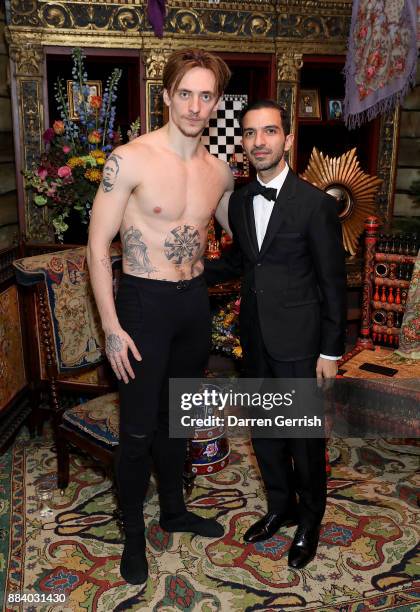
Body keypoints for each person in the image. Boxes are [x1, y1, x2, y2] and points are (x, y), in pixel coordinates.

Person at [87, 48, 233, 586]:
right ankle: (131, 529)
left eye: (207, 95)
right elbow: (97, 247)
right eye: (186, 93)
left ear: (217, 102)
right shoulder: (130, 159)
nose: (195, 106)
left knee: (178, 421)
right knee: (138, 431)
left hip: (194, 307)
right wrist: (110, 326)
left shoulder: (219, 171)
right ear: (167, 95)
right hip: (143, 305)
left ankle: (173, 509)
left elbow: (239, 235)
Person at [204, 99, 346, 569]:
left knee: (303, 439)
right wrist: (188, 270)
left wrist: (330, 351)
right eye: (250, 133)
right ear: (242, 143)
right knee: (265, 434)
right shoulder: (241, 200)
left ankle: (310, 520)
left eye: (269, 132)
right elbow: (243, 262)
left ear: (287, 139)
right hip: (255, 340)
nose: (259, 141)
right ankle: (280, 507)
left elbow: (332, 283)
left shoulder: (315, 204)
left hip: (302, 343)